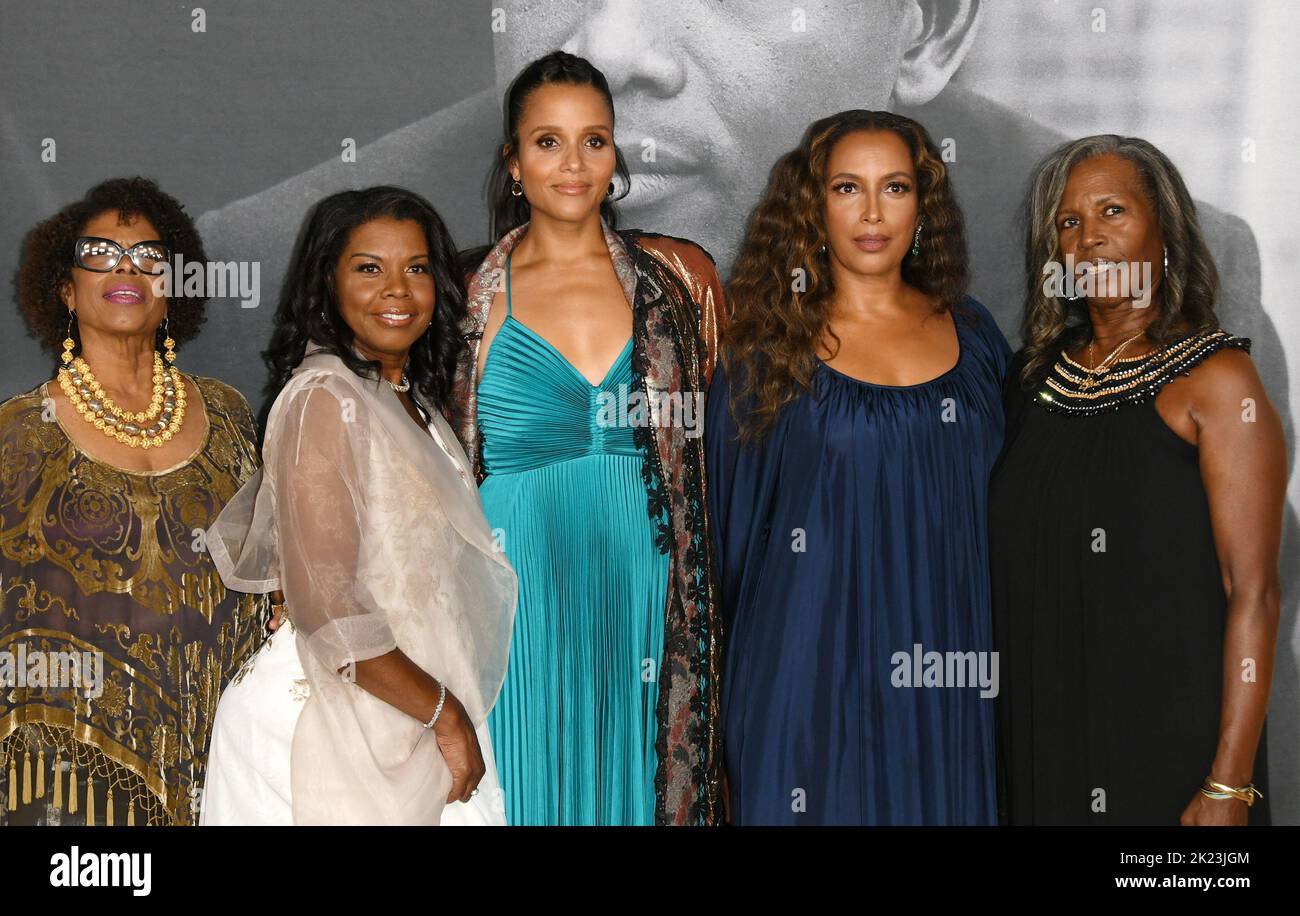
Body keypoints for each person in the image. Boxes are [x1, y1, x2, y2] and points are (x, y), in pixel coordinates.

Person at [708, 110, 1010, 825]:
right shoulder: (762, 353)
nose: (872, 213)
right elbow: (728, 547)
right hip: (807, 681)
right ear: (813, 206)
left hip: (949, 677)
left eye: (895, 187)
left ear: (923, 204)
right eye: (848, 187)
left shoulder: (977, 336)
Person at [455, 51, 726, 825]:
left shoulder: (678, 283)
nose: (573, 164)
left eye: (594, 140)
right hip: (515, 595)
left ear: (616, 154)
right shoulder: (462, 292)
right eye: (547, 142)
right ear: (513, 163)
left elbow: (723, 453)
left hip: (644, 587)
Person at [990, 135, 1285, 825]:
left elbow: (1255, 596)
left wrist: (1228, 786)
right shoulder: (1029, 382)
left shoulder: (1219, 383)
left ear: (1165, 230)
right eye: (1068, 222)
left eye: (1113, 211)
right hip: (1041, 747)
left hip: (1174, 758)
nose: (1089, 238)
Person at [201, 187, 516, 825]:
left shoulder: (412, 403)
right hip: (324, 716)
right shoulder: (325, 396)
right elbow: (328, 603)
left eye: (417, 268)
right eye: (369, 268)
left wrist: (439, 711)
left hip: (405, 708)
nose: (396, 289)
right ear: (328, 282)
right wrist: (443, 712)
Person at [0, 177, 264, 825]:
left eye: (150, 257)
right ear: (65, 289)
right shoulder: (16, 433)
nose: (126, 267)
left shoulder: (229, 413)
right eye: (100, 252)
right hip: (71, 779)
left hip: (228, 760)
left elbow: (270, 573)